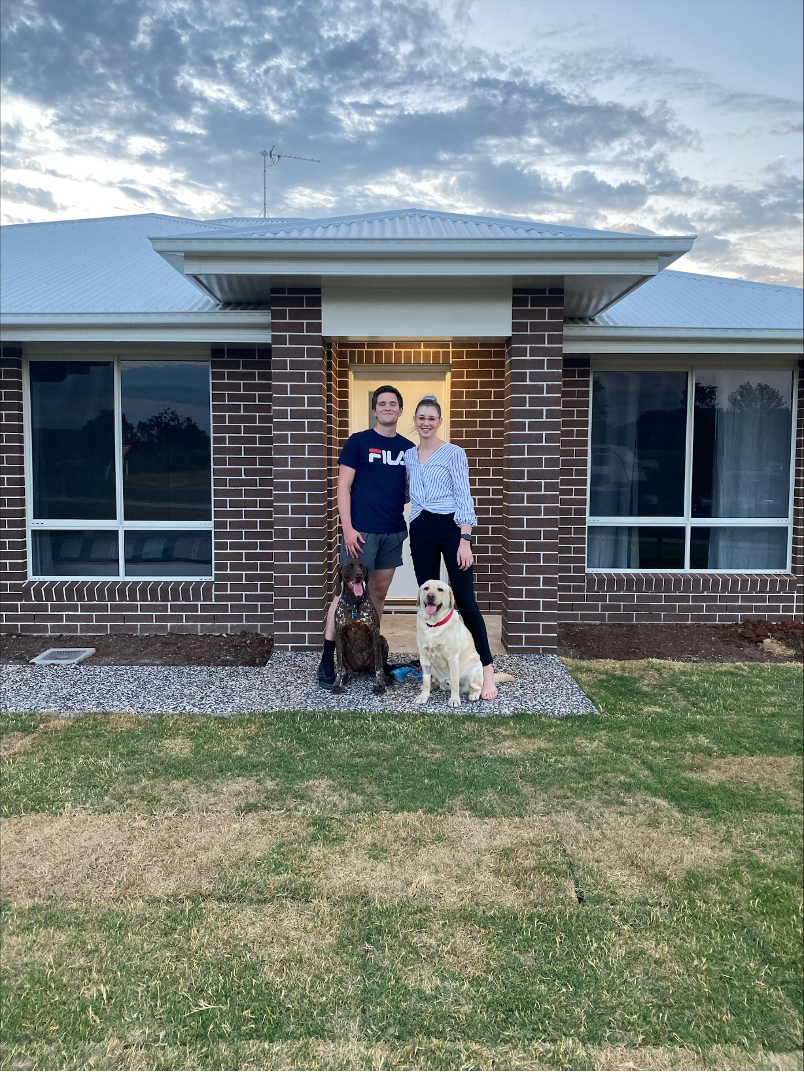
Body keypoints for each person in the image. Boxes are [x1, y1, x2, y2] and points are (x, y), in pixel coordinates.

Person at [317, 385, 415, 690]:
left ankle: (368, 657)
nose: (387, 408)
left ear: (400, 411)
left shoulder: (409, 449)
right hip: (360, 534)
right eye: (382, 403)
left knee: (378, 595)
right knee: (345, 596)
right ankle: (327, 659)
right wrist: (346, 527)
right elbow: (343, 487)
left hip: (392, 531)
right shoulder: (358, 442)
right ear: (374, 410)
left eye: (393, 404)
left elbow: (412, 488)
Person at [404, 395, 498, 701]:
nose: (426, 423)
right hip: (420, 528)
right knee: (427, 602)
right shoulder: (408, 455)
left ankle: (486, 673)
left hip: (451, 528)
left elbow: (463, 494)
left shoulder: (454, 453)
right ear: (415, 421)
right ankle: (431, 675)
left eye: (432, 418)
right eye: (421, 417)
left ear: (439, 421)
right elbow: (405, 493)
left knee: (466, 601)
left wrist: (465, 538)